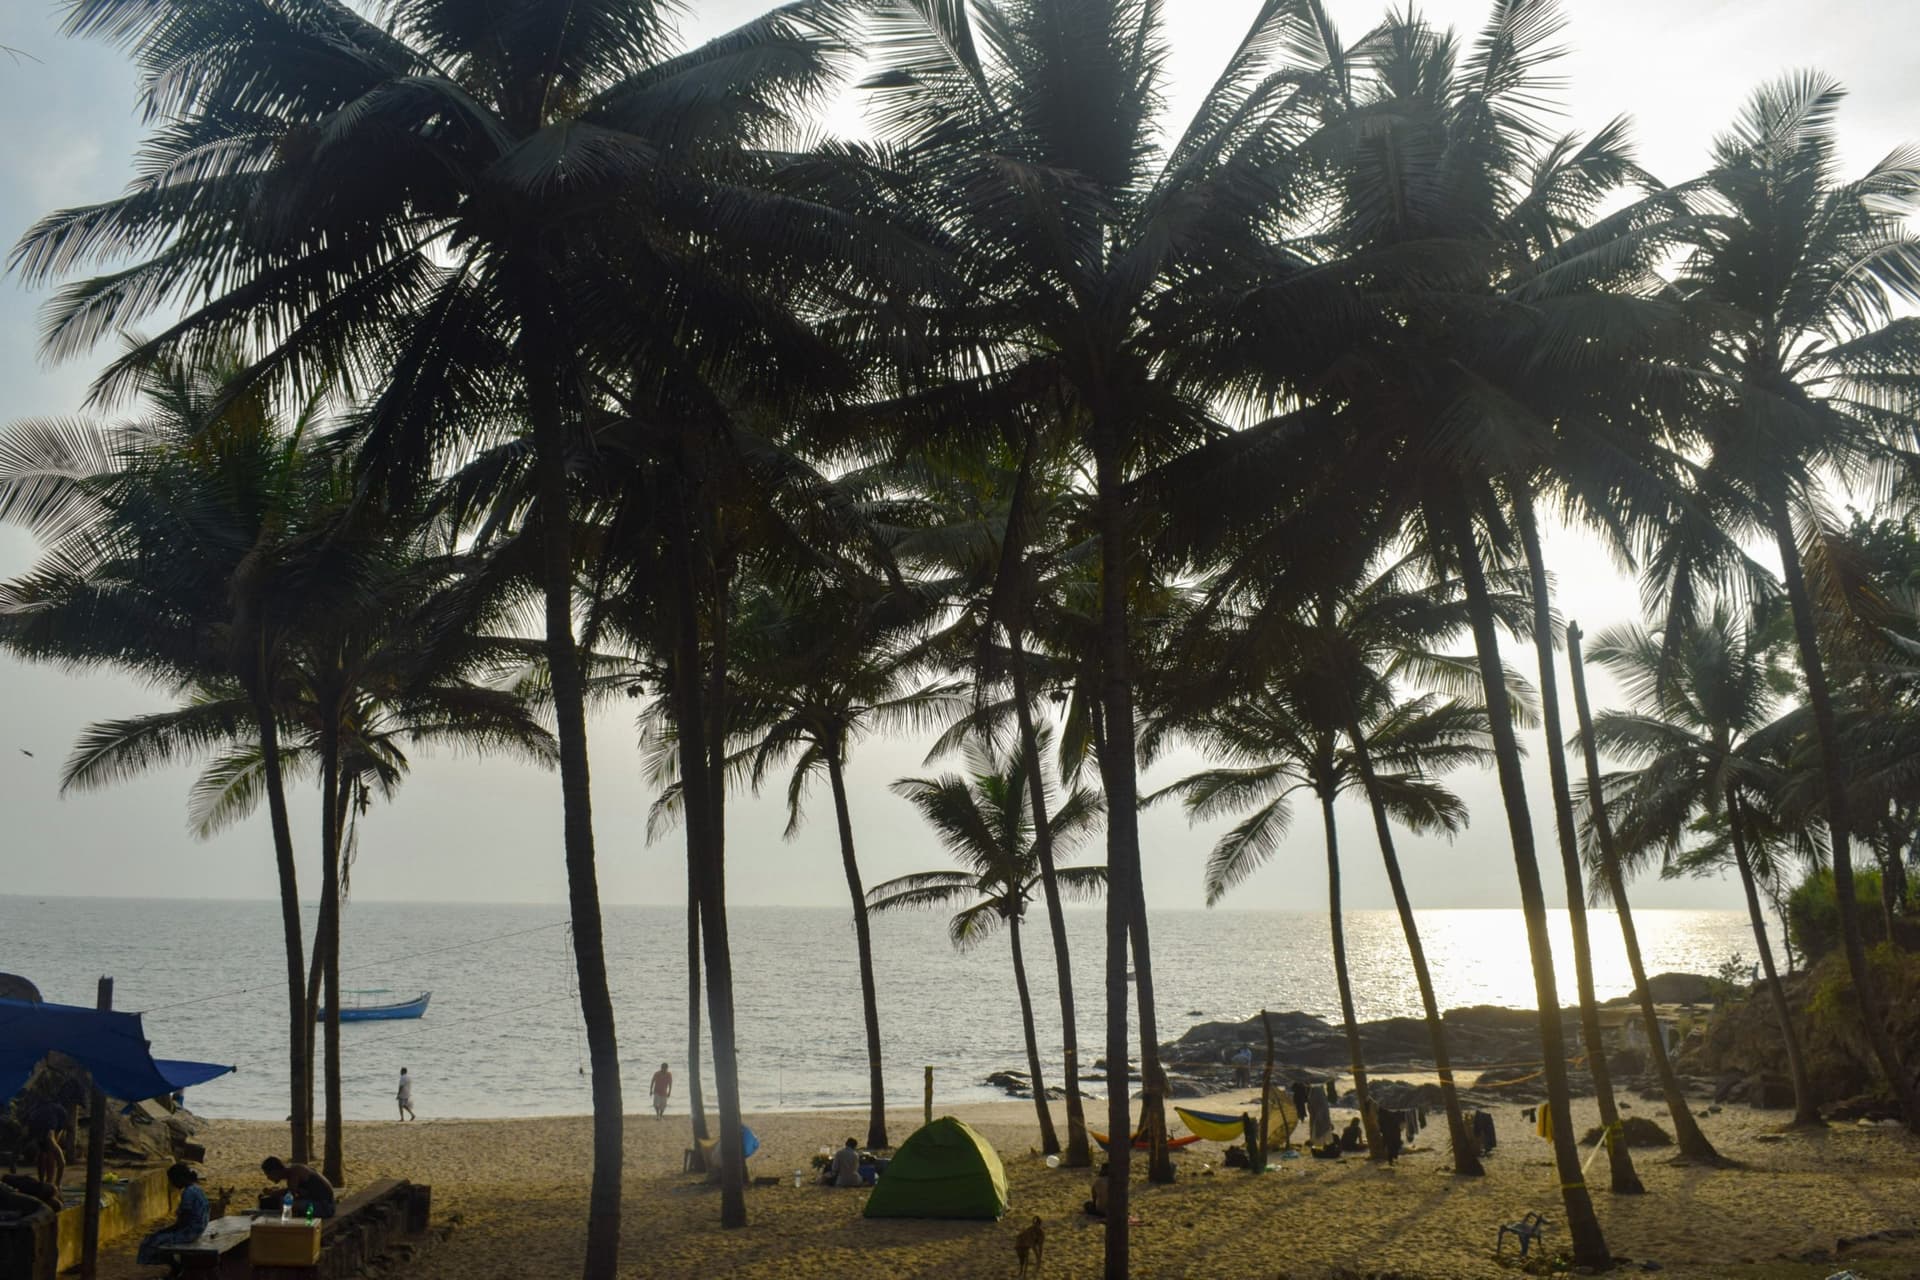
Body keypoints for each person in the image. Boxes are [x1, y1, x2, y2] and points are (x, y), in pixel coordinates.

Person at [136, 1163, 210, 1265]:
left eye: (172, 1180)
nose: (172, 1183)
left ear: (180, 1178)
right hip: (198, 1229)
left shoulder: (188, 1193)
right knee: (159, 1235)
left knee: (153, 1240)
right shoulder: (197, 1189)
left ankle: (174, 1265)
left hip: (190, 1233)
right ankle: (175, 1266)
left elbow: (184, 1220)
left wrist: (170, 1229)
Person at [261, 1155, 337, 1219]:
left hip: (326, 1208)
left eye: (268, 1174)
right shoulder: (294, 1172)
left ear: (275, 1171)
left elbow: (291, 1195)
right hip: (325, 1205)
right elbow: (299, 1192)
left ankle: (286, 1225)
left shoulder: (294, 1172)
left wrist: (274, 1193)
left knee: (284, 1202)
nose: (268, 1178)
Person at [28, 1096, 67, 1189]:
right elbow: (17, 1148)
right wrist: (12, 1163)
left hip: (59, 1114)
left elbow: (62, 1163)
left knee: (51, 1153)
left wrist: (58, 1184)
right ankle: (42, 1181)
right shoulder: (30, 1131)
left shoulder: (50, 1139)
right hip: (38, 1112)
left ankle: (49, 1181)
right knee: (43, 1153)